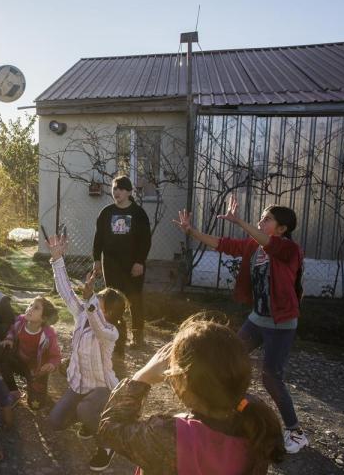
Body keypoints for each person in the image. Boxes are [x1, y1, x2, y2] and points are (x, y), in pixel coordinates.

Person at [173, 194, 308, 454]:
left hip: (281, 323)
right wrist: (192, 231)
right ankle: (221, 409)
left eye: (267, 219)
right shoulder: (253, 247)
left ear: (282, 229)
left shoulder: (289, 249)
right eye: (262, 217)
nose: (261, 221)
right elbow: (221, 243)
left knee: (270, 377)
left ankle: (296, 431)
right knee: (227, 357)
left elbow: (270, 243)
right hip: (257, 318)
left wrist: (239, 221)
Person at [98, 313, 286, 474]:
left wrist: (142, 377)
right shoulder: (257, 424)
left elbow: (109, 429)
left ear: (184, 380)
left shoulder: (168, 436)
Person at [47, 233, 127, 472]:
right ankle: (89, 419)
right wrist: (57, 258)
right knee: (56, 421)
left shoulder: (111, 332)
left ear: (110, 312)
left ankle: (107, 444)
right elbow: (65, 292)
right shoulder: (83, 314)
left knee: (85, 409)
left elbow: (98, 327)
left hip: (103, 389)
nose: (92, 299)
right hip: (79, 386)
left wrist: (89, 301)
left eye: (98, 299)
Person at [92, 175, 151, 352]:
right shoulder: (106, 212)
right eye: (114, 188)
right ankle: (114, 334)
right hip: (111, 264)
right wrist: (96, 260)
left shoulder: (138, 213)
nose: (116, 192)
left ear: (128, 192)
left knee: (134, 299)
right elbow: (98, 238)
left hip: (133, 265)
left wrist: (140, 262)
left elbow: (145, 240)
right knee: (112, 300)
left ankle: (137, 336)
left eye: (120, 189)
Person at [1, 296, 61, 409]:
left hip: (36, 370)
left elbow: (56, 356)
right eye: (30, 305)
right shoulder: (20, 321)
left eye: (36, 308)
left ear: (43, 318)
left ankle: (38, 391)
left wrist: (51, 364)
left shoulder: (49, 334)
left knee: (36, 405)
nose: (30, 309)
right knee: (3, 359)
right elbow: (12, 331)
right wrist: (9, 338)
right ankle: (14, 392)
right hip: (19, 362)